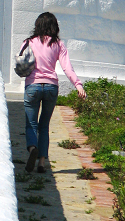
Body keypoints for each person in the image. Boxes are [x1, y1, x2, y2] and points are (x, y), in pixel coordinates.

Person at [22, 12, 87, 174]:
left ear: (37, 25)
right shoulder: (58, 44)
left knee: (31, 124)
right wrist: (78, 85)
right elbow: (67, 68)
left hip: (33, 86)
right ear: (54, 26)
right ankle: (42, 163)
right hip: (51, 87)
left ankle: (32, 149)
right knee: (44, 125)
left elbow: (21, 61)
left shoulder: (29, 42)